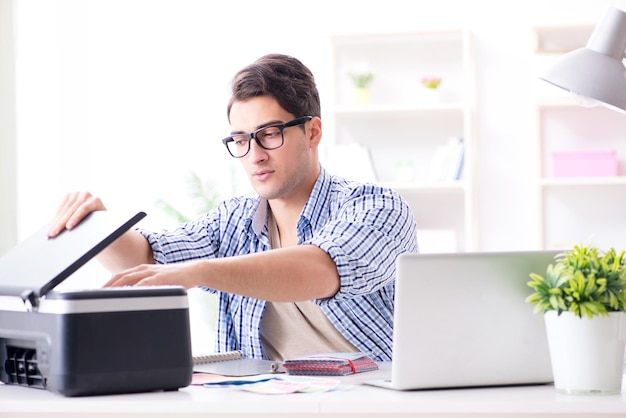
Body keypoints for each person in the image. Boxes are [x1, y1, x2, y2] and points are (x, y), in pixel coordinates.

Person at [47, 53, 419, 362]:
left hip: (367, 404)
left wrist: (199, 271)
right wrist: (97, 227)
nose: (254, 155)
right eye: (241, 139)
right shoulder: (234, 219)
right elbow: (149, 260)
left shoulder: (376, 207)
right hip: (259, 403)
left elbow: (320, 270)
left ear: (313, 132)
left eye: (269, 134)